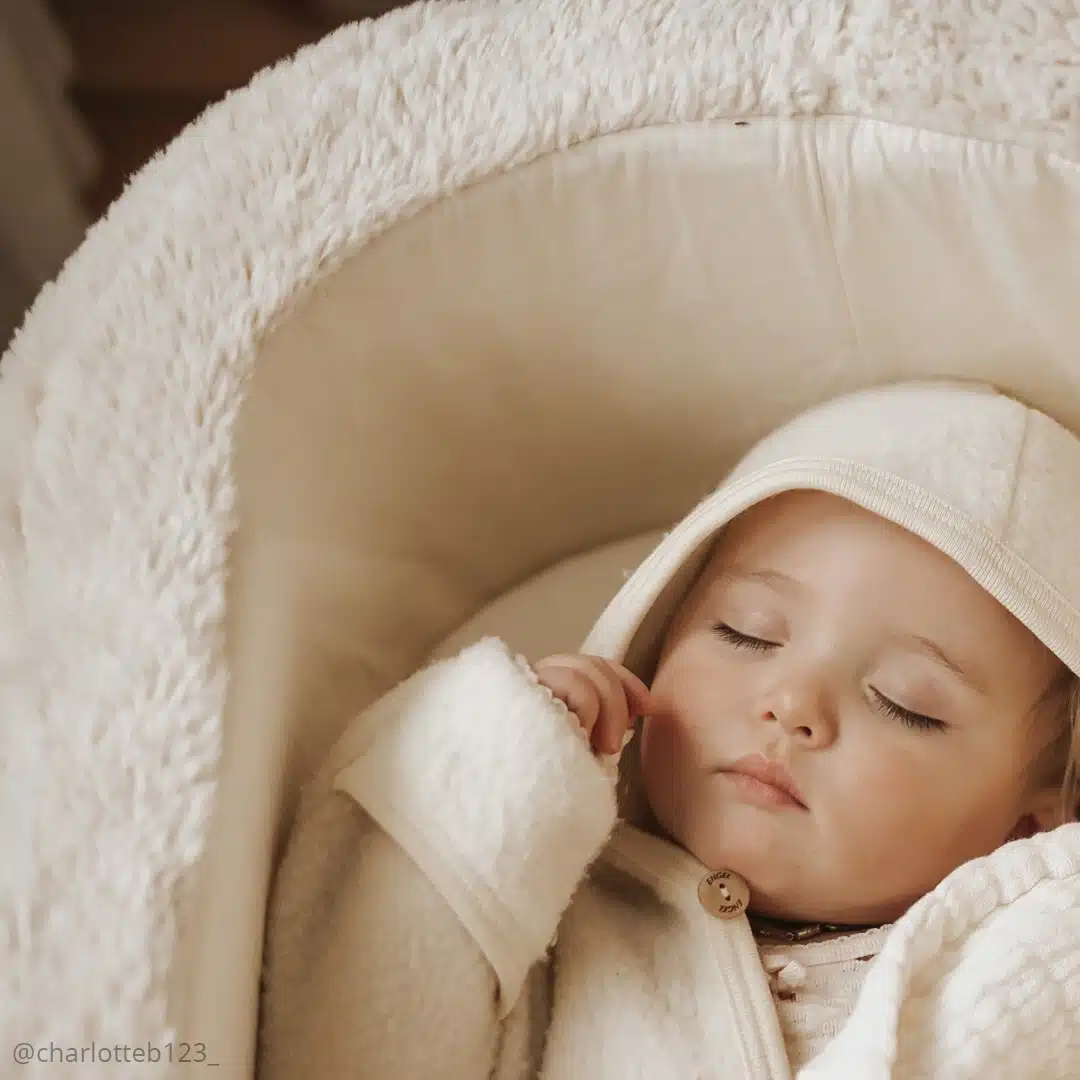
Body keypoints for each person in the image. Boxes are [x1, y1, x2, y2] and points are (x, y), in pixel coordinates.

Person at [258, 379, 1080, 1080]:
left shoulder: (1012, 973)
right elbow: (352, 1033)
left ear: (1028, 824)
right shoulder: (560, 919)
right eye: (748, 633)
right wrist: (490, 769)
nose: (791, 702)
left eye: (904, 702)